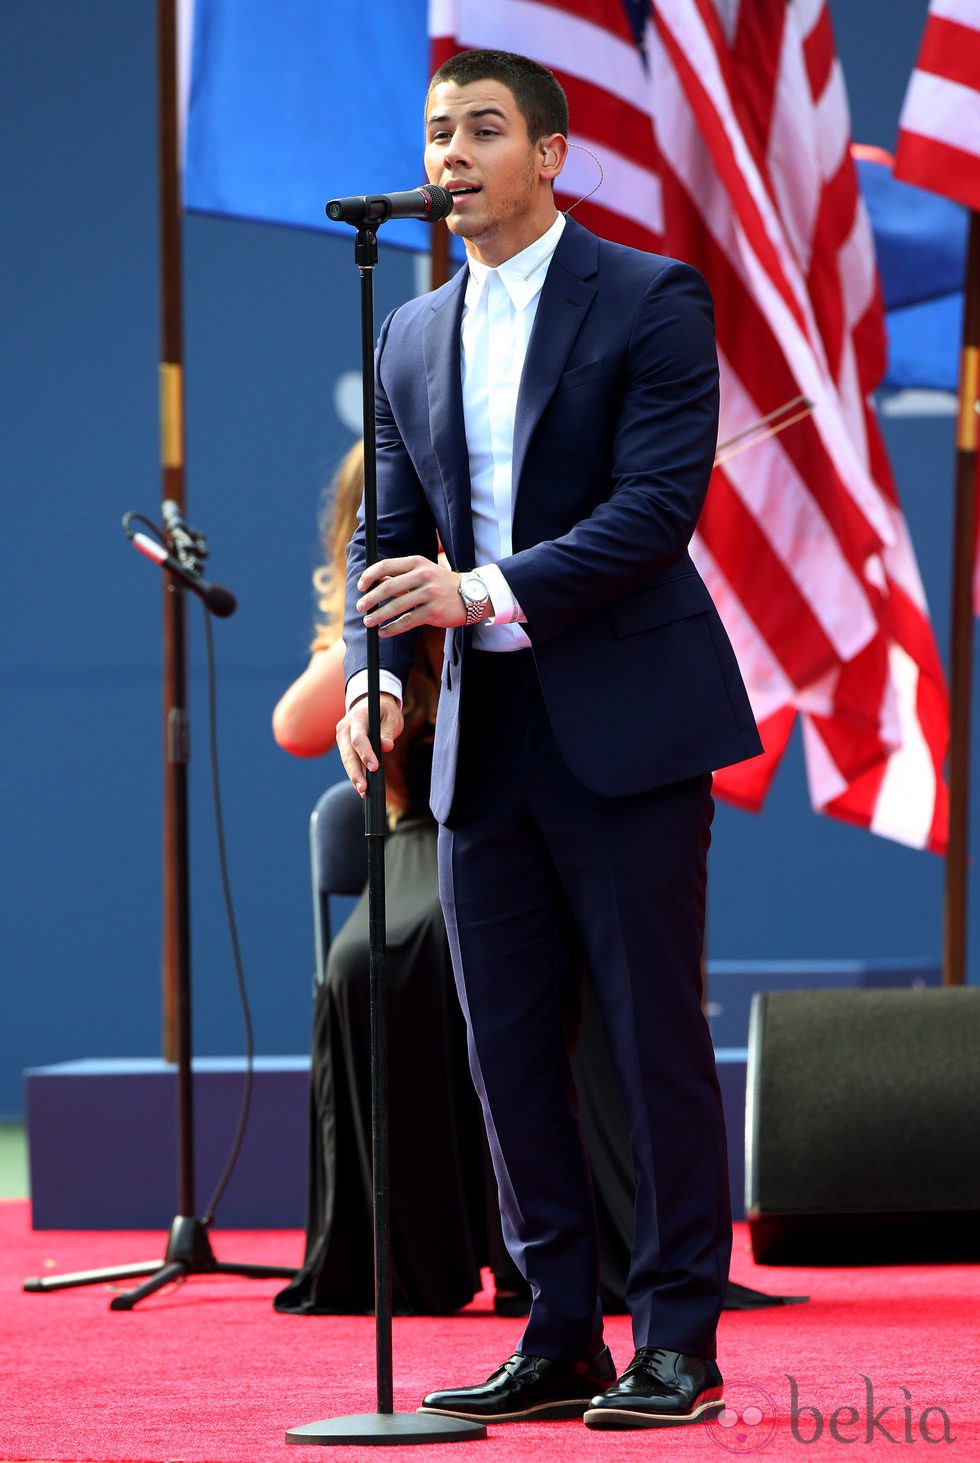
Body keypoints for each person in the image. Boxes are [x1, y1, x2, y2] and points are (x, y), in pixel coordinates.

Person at [337, 48, 762, 1431]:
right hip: (485, 732)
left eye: (482, 129)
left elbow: (655, 513)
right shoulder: (408, 332)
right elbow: (391, 542)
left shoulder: (649, 297)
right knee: (505, 1043)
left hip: (628, 722)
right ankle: (561, 1327)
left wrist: (481, 593)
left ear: (553, 152)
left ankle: (681, 1339)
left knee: (649, 1039)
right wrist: (378, 679)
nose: (450, 153)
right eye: (437, 131)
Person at [272, 439, 529, 1317]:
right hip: (418, 828)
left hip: (503, 814)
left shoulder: (480, 577)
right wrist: (379, 623)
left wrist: (462, 589)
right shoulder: (361, 617)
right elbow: (293, 727)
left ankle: (530, 1248)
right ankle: (404, 1256)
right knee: (365, 960)